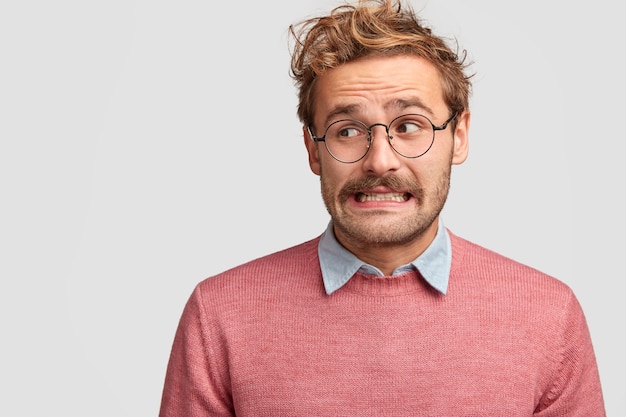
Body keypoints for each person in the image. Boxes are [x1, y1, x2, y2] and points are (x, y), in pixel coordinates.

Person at [159, 0, 605, 415]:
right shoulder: (219, 315)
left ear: (460, 136)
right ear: (313, 150)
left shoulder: (548, 315)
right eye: (347, 130)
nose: (380, 159)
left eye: (409, 125)